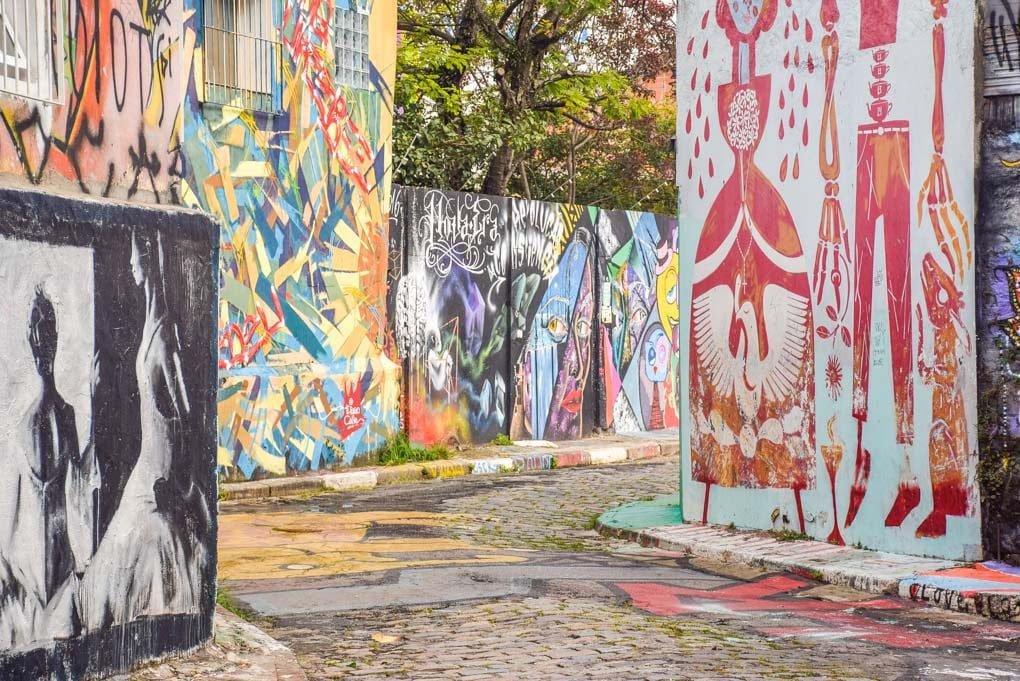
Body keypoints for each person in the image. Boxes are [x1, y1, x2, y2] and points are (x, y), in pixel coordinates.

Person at [81, 231, 209, 628]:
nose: (131, 265)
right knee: (112, 558)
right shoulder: (149, 329)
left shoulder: (165, 339)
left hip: (159, 477)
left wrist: (181, 487)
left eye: (137, 256)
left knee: (131, 555)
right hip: (145, 469)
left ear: (151, 257)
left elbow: (186, 419)